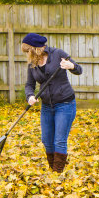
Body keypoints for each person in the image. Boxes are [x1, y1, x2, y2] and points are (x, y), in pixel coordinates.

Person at [21, 33, 82, 173]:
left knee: (59, 140)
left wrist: (70, 66)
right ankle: (52, 169)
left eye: (28, 51)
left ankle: (57, 174)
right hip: (47, 106)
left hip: (65, 104)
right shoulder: (32, 63)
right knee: (47, 140)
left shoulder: (58, 54)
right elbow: (29, 84)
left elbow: (79, 70)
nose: (27, 54)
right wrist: (30, 96)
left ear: (36, 49)